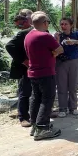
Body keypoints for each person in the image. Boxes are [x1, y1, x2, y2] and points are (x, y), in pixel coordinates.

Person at [24, 11, 63, 140]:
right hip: (46, 72)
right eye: (48, 22)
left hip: (33, 72)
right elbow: (59, 50)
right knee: (47, 99)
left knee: (36, 98)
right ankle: (42, 127)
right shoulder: (45, 36)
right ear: (45, 23)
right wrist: (54, 50)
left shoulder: (28, 35)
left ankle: (35, 125)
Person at [55, 18, 78, 117]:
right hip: (61, 62)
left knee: (73, 86)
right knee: (61, 86)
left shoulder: (77, 35)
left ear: (71, 25)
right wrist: (57, 40)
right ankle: (62, 108)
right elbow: (54, 49)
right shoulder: (58, 35)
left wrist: (75, 42)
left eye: (65, 24)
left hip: (74, 61)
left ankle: (73, 107)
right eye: (61, 24)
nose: (63, 26)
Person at [5, 9, 33, 127]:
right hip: (25, 68)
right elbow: (9, 46)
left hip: (38, 66)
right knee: (25, 91)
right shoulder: (24, 33)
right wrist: (23, 60)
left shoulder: (41, 31)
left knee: (40, 91)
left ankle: (41, 113)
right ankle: (23, 116)